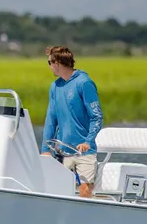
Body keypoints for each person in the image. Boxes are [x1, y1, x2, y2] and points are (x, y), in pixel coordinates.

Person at [41, 46, 103, 198]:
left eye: (50, 62)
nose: (49, 66)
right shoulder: (55, 87)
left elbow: (97, 116)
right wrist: (45, 149)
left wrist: (88, 141)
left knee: (84, 191)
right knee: (58, 192)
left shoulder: (84, 83)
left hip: (84, 151)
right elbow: (51, 119)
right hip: (63, 152)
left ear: (59, 62)